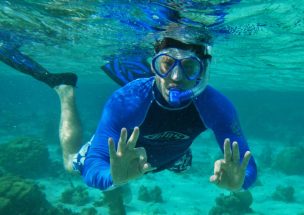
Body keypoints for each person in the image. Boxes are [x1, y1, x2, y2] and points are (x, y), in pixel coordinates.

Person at [0, 25, 257, 193]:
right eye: (166, 64)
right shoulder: (127, 100)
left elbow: (246, 164)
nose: (175, 78)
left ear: (204, 70)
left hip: (175, 157)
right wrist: (113, 177)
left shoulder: (217, 106)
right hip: (125, 161)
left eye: (189, 67)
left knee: (183, 166)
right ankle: (64, 90)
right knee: (71, 164)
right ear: (154, 64)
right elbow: (93, 165)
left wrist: (240, 182)